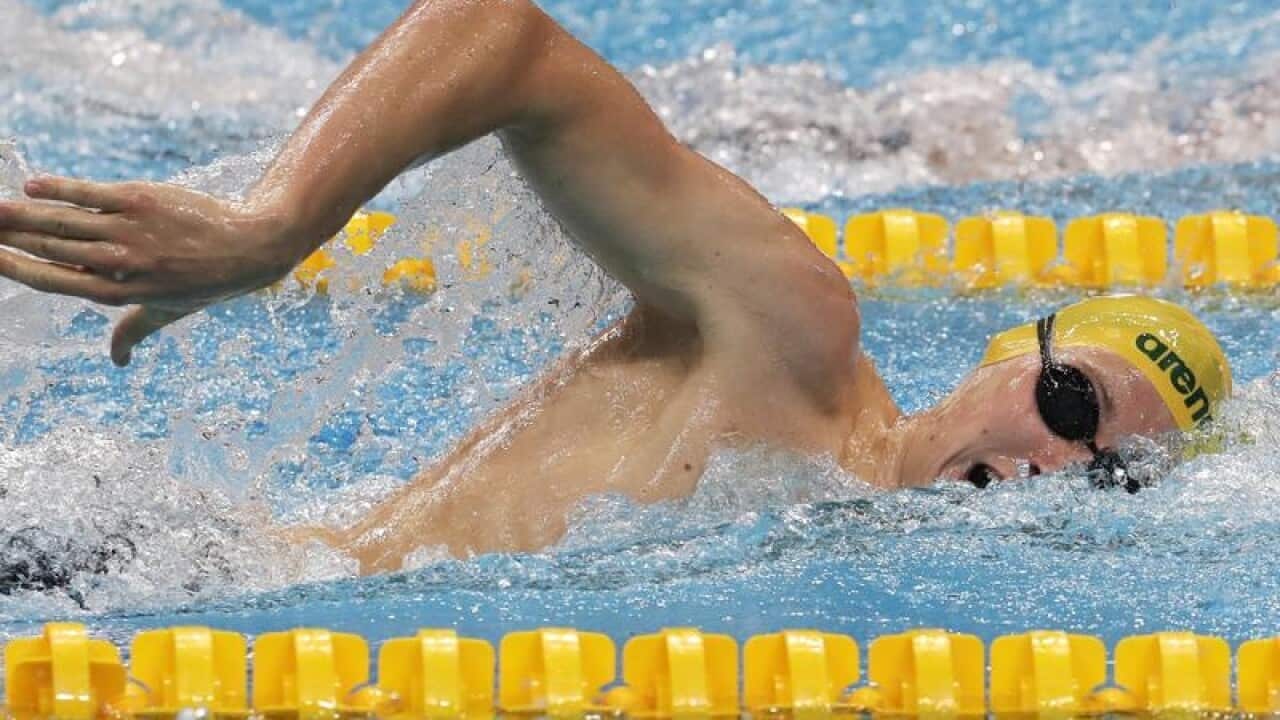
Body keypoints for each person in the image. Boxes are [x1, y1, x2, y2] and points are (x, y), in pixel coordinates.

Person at [0, 0, 1231, 575]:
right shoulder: (790, 337)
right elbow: (506, 39)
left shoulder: (863, 555)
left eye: (1111, 471)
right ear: (1007, 354)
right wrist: (275, 226)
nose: (1059, 463)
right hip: (135, 567)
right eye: (1071, 402)